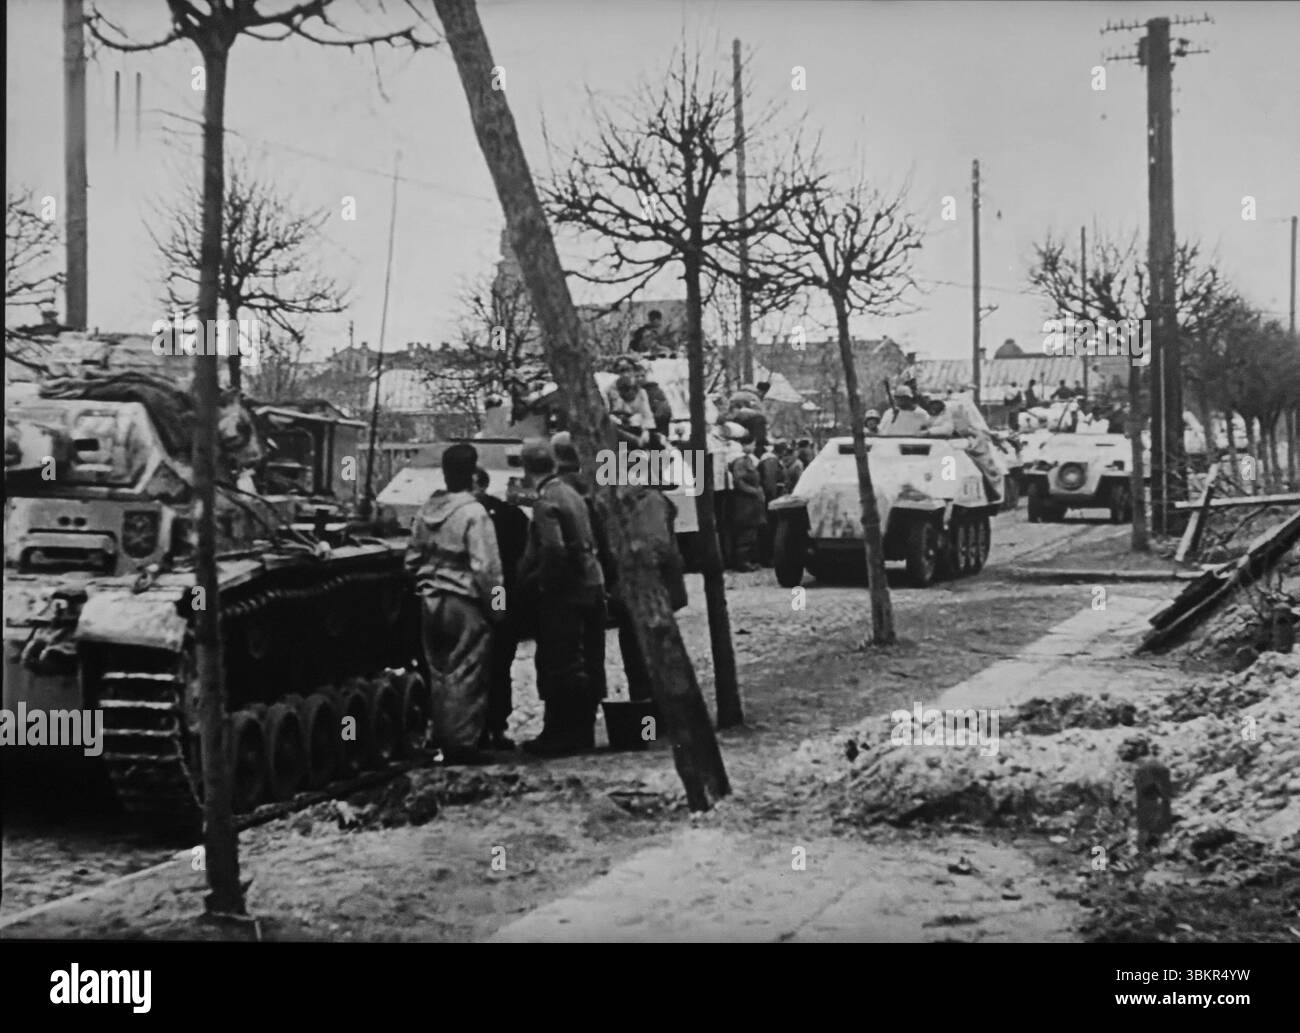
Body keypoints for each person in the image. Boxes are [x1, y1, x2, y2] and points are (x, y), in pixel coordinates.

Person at [404, 443, 503, 765]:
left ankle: (440, 739)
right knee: (468, 673)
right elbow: (487, 567)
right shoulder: (474, 513)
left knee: (439, 673)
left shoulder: (425, 511)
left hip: (430, 600)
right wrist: (498, 608)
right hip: (465, 601)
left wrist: (425, 583)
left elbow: (411, 559)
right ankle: (463, 745)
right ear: (473, 473)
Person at [516, 441, 606, 756]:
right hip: (591, 585)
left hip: (565, 593)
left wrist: (542, 584)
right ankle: (580, 731)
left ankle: (560, 734)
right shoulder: (572, 494)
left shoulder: (545, 502)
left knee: (559, 663)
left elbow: (553, 548)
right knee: (584, 660)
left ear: (526, 468)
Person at [473, 467, 529, 752]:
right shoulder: (511, 515)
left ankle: (471, 729)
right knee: (499, 663)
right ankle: (497, 726)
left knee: (472, 665)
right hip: (502, 595)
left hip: (472, 598)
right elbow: (521, 561)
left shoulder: (460, 514)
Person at [728, 435, 765, 572]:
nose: (754, 447)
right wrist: (753, 491)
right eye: (752, 444)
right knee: (745, 532)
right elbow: (738, 481)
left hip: (751, 502)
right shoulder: (740, 462)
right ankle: (742, 562)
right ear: (745, 445)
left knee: (751, 532)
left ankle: (748, 560)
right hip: (744, 502)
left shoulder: (748, 460)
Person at [606, 374, 655, 447]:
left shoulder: (641, 393)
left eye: (629, 391)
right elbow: (614, 412)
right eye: (624, 392)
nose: (627, 394)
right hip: (623, 425)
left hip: (638, 425)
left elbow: (647, 413)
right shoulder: (616, 396)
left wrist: (646, 431)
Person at [756, 442, 785, 564]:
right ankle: (768, 558)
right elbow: (770, 482)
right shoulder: (771, 461)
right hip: (770, 501)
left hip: (768, 500)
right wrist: (772, 500)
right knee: (770, 529)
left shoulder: (768, 460)